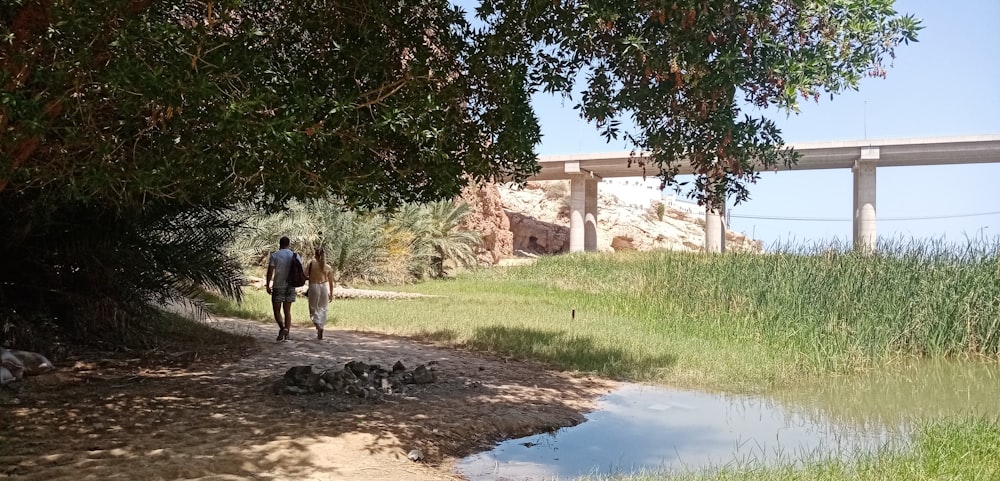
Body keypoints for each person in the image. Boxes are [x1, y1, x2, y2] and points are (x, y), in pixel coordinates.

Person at [265, 236, 301, 341]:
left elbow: (270, 272)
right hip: (291, 286)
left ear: (279, 244)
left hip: (278, 285)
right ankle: (287, 333)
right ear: (289, 244)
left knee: (276, 310)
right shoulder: (295, 256)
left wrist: (268, 285)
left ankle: (282, 328)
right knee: (287, 311)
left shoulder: (275, 256)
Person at [305, 246, 335, 340]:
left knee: (313, 309)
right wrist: (331, 294)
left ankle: (318, 326)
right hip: (324, 288)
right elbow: (331, 282)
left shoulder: (311, 263)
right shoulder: (327, 267)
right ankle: (321, 327)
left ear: (315, 254)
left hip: (314, 286)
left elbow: (305, 274)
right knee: (323, 309)